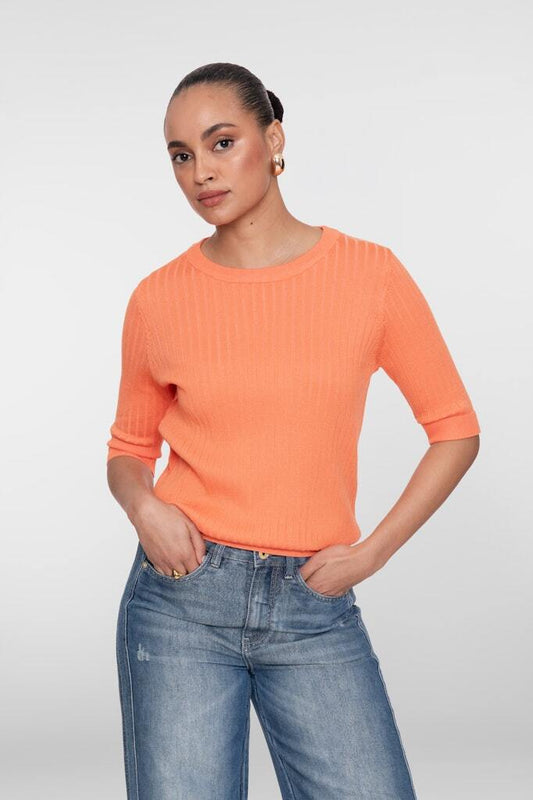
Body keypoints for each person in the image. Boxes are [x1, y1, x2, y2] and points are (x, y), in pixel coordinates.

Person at [106, 62, 480, 800]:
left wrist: (371, 553)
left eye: (221, 143)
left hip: (314, 603)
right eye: (181, 155)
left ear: (273, 139)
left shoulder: (370, 276)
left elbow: (455, 430)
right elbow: (128, 449)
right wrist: (144, 506)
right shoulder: (158, 298)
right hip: (180, 599)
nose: (200, 172)